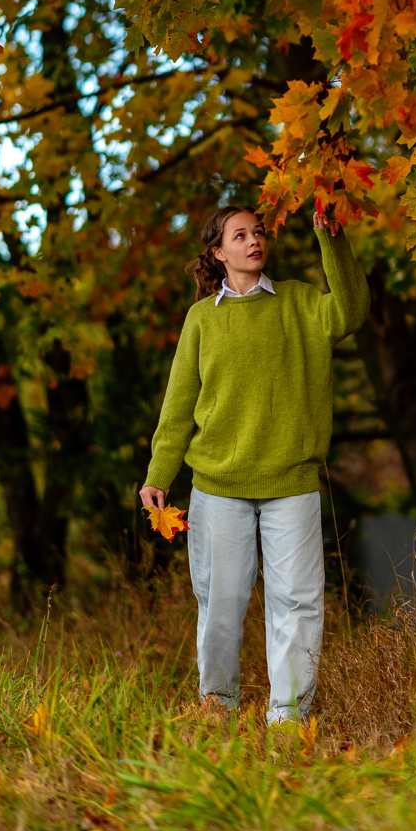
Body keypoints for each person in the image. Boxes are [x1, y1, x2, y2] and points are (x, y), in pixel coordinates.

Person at [139, 203, 369, 726]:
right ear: (218, 253)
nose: (253, 241)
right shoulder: (202, 318)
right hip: (218, 487)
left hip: (291, 482)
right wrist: (158, 476)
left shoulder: (300, 303)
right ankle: (217, 708)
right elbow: (177, 409)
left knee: (297, 603)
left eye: (258, 232)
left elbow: (351, 312)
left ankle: (287, 719)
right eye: (239, 235)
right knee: (219, 604)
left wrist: (331, 239)